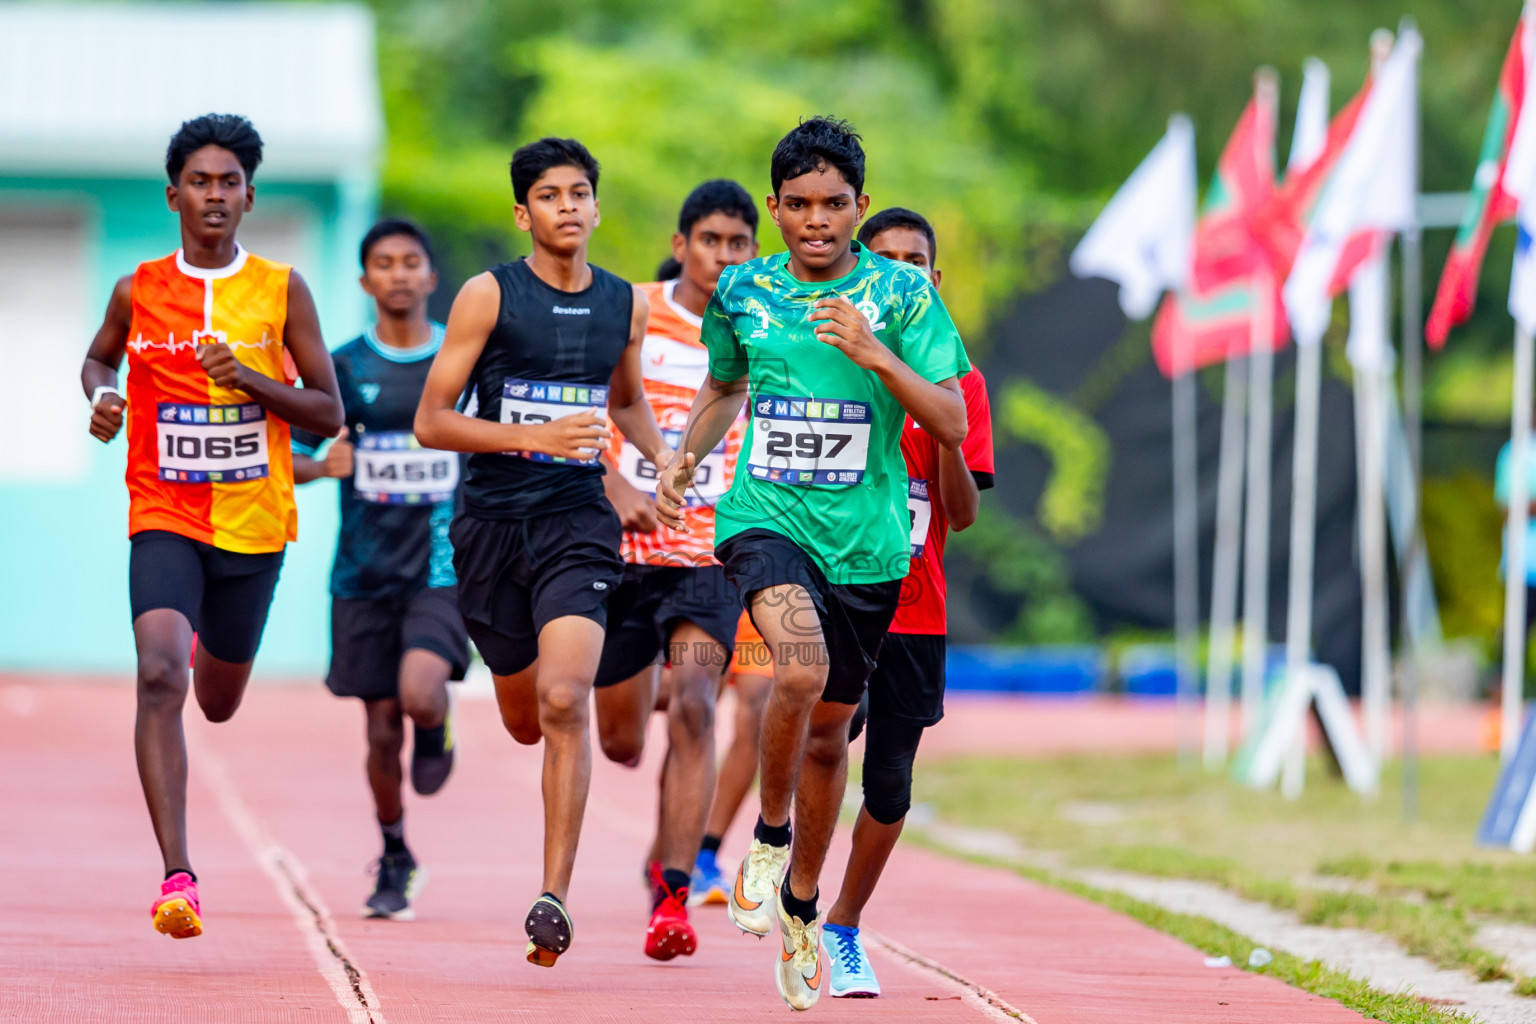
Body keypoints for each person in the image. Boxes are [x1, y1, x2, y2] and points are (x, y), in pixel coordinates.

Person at [657, 117, 970, 1011]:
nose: (817, 221)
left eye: (834, 205)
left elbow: (948, 419)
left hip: (868, 549)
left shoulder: (903, 298)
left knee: (831, 733)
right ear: (775, 208)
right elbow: (722, 387)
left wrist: (874, 352)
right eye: (797, 205)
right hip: (764, 520)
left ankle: (801, 903)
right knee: (796, 668)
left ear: (859, 207)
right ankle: (765, 835)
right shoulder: (745, 290)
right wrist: (685, 457)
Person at [81, 114, 344, 940]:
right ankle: (178, 878)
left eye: (230, 182)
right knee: (159, 675)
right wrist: (101, 397)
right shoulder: (137, 288)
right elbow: (98, 357)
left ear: (250, 196)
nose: (216, 194)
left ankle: (204, 640)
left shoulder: (280, 289)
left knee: (217, 701)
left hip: (254, 523)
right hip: (163, 510)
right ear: (173, 196)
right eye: (201, 181)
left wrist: (257, 380)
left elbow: (328, 413)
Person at [414, 137, 670, 968]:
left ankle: (553, 893)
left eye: (580, 193)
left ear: (597, 208)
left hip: (576, 523)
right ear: (524, 214)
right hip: (491, 529)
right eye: (550, 195)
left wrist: (664, 457)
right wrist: (535, 434)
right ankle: (483, 704)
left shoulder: (624, 303)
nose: (568, 206)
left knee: (566, 702)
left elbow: (625, 397)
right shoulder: (488, 297)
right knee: (524, 718)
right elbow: (433, 422)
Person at [821, 207, 994, 998]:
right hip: (825, 596)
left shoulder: (961, 379)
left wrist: (941, 420)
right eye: (882, 256)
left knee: (889, 784)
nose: (900, 268)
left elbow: (960, 515)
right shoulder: (824, 354)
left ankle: (844, 925)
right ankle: (779, 874)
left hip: (914, 611)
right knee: (801, 732)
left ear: (933, 276)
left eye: (914, 259)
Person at [589, 180, 759, 960]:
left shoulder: (765, 326)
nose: (724, 256)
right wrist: (615, 486)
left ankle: (673, 890)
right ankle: (648, 682)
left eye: (738, 243)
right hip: (622, 555)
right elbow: (582, 413)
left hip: (706, 557)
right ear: (681, 241)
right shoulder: (631, 310)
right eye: (711, 241)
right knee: (622, 742)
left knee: (696, 704)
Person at [291, 219, 468, 922]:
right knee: (379, 730)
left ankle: (440, 721)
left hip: (442, 566)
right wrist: (317, 465)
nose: (398, 274)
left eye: (411, 262)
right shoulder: (339, 368)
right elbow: (295, 452)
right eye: (383, 264)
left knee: (418, 694)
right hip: (362, 574)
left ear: (430, 275)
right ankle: (395, 852)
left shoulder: (461, 358)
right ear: (365, 281)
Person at [688, 614, 774, 906]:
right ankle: (672, 844)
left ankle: (706, 853)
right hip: (709, 583)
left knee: (756, 718)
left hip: (761, 593)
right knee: (694, 717)